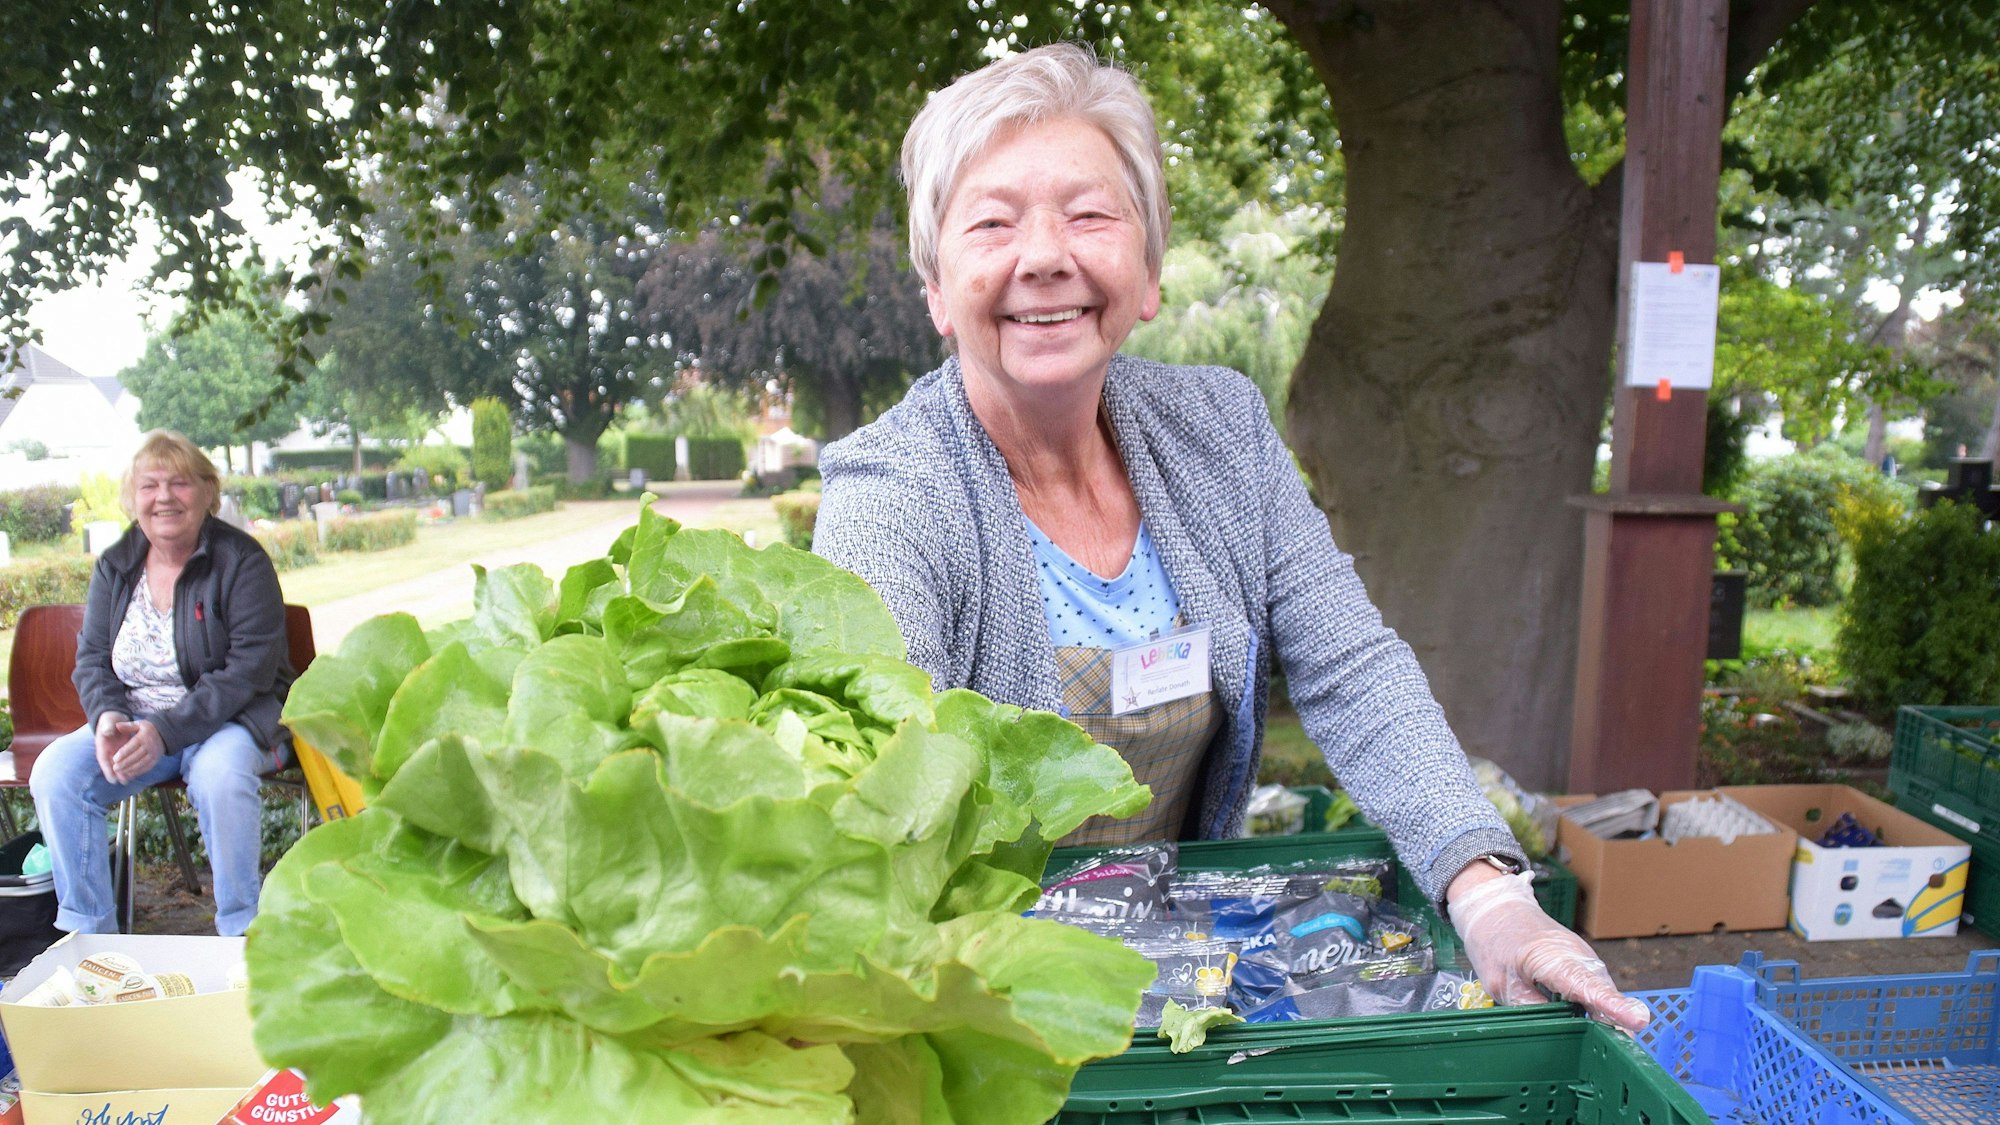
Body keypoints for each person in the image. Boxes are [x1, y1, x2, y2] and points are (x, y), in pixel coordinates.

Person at [813, 43, 1649, 1031]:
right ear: (937, 293)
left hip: (1170, 962)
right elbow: (878, 787)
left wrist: (1489, 897)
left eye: (1087, 215)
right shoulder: (891, 492)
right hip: (971, 995)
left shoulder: (1216, 429)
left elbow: (1348, 670)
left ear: (1148, 270)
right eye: (991, 223)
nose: (1043, 255)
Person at [30, 430, 294, 936]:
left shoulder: (242, 561)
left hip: (230, 720)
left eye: (180, 483)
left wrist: (166, 732)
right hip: (137, 724)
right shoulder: (117, 564)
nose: (164, 497)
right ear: (133, 498)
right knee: (56, 774)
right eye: (149, 486)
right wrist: (107, 716)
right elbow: (91, 659)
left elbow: (251, 668)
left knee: (219, 776)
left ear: (208, 492)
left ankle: (241, 934)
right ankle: (91, 939)